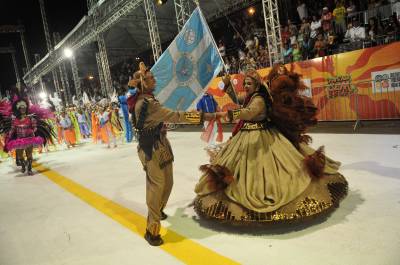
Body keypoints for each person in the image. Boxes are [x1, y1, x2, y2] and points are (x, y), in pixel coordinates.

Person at [193, 65, 348, 226]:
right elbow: (238, 100)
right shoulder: (250, 96)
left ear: (257, 84)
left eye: (248, 84)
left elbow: (249, 112)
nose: (246, 87)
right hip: (245, 136)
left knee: (265, 170)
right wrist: (227, 86)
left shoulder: (259, 99)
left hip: (261, 138)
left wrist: (229, 114)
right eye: (244, 84)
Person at [127, 62, 207, 246]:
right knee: (156, 186)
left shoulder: (149, 100)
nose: (154, 79)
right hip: (150, 149)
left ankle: (159, 209)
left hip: (160, 144)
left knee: (168, 182)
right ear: (143, 83)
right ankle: (152, 229)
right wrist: (202, 117)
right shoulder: (147, 103)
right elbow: (174, 116)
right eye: (150, 78)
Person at [1, 84, 54, 175]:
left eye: (24, 108)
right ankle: (23, 164)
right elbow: (12, 130)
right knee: (20, 156)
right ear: (18, 109)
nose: (23, 110)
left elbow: (35, 128)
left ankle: (29, 168)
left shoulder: (30, 119)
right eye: (21, 109)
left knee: (29, 155)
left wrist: (33, 130)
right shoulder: (15, 120)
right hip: (19, 140)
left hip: (29, 139)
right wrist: (9, 137)